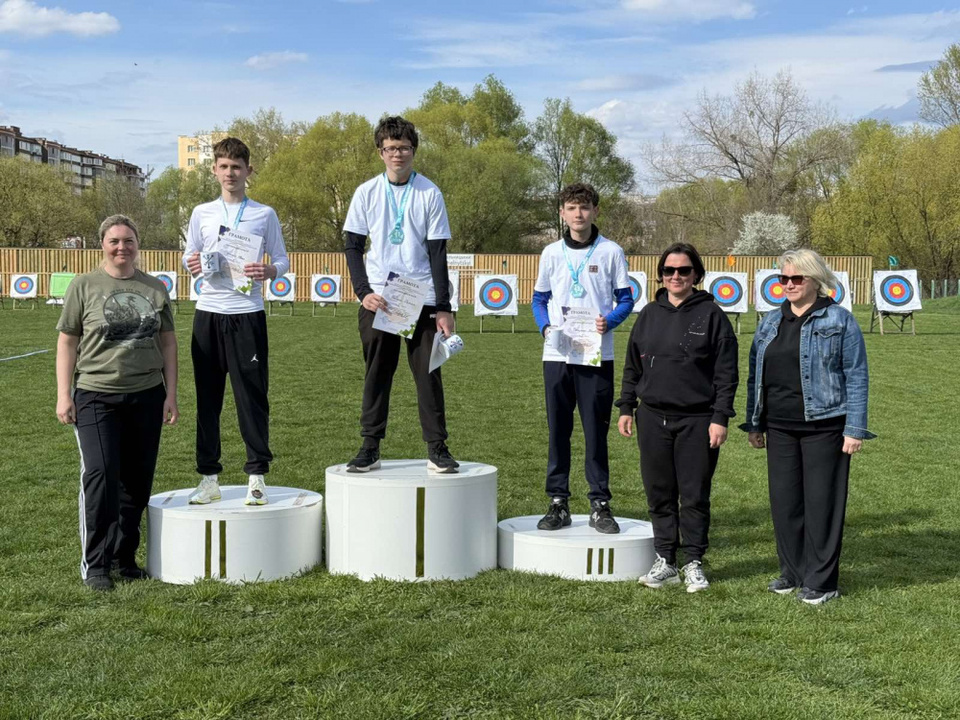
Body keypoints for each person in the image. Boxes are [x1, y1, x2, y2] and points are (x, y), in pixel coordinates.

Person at [742, 249, 875, 606]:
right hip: (779, 427)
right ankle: (792, 572)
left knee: (822, 505)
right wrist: (755, 422)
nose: (788, 284)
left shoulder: (840, 320)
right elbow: (756, 375)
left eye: (796, 278)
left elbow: (857, 375)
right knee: (785, 504)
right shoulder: (770, 321)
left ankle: (822, 581)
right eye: (783, 279)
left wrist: (854, 428)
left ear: (815, 280)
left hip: (825, 427)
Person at [56, 215, 179, 591]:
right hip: (96, 395)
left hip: (147, 395)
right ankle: (96, 565)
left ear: (137, 245)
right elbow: (67, 341)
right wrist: (63, 394)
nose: (122, 247)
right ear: (103, 245)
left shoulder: (155, 288)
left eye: (128, 240)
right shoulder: (84, 285)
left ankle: (124, 559)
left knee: (136, 483)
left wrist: (171, 393)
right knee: (101, 475)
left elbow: (168, 342)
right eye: (114, 241)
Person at [616, 243, 738, 592]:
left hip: (698, 420)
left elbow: (726, 373)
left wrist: (720, 417)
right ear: (661, 275)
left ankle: (693, 561)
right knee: (659, 492)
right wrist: (626, 406)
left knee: (694, 494)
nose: (676, 276)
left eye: (684, 270)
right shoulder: (648, 314)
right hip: (652, 417)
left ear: (696, 274)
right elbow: (633, 365)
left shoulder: (712, 315)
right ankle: (666, 560)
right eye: (669, 270)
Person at [342, 116, 458, 473]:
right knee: (377, 372)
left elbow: (438, 252)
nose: (398, 154)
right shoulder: (366, 192)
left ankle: (437, 448)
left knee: (428, 374)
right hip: (381, 298)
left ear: (413, 151)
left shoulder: (430, 192)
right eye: (391, 148)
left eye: (404, 148)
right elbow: (352, 246)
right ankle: (370, 446)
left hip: (422, 297)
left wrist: (444, 307)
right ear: (380, 152)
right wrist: (363, 292)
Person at [182, 137, 289, 505]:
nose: (230, 173)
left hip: (247, 315)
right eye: (224, 166)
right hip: (208, 313)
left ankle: (256, 477)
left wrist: (270, 270)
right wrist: (190, 263)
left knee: (252, 398)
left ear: (248, 171)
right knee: (207, 399)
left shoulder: (264, 214)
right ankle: (208, 478)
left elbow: (282, 260)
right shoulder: (201, 213)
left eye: (237, 167)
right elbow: (189, 255)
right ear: (214, 170)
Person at [531, 183, 634, 534]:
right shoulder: (550, 253)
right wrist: (546, 328)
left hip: (596, 354)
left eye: (585, 207)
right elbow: (539, 300)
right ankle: (558, 500)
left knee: (595, 430)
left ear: (595, 211)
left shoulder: (611, 251)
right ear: (562, 213)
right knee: (558, 430)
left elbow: (626, 299)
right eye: (572, 208)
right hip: (557, 353)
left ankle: (599, 503)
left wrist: (611, 321)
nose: (579, 214)